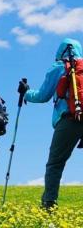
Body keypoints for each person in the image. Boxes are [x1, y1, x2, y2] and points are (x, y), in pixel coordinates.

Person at [20, 38, 83, 210]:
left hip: (69, 119)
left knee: (55, 163)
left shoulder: (59, 67)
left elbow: (42, 96)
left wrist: (26, 93)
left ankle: (49, 204)